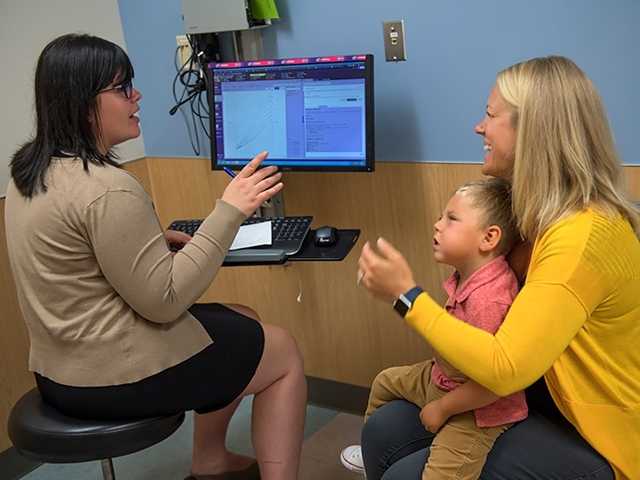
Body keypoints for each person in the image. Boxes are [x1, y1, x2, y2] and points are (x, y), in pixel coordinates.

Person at [4, 33, 306, 480]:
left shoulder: (30, 173)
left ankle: (210, 460)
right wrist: (229, 211)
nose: (136, 95)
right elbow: (164, 301)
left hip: (58, 373)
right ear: (85, 102)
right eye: (123, 87)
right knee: (281, 352)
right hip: (113, 379)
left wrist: (151, 243)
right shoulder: (107, 188)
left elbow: (78, 261)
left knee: (242, 316)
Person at [356, 56, 640, 480]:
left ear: (534, 134)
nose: (479, 127)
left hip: (588, 431)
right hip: (534, 393)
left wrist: (406, 297)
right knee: (385, 429)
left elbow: (506, 367)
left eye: (490, 116)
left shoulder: (581, 236)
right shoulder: (526, 210)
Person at [341, 178, 527, 480]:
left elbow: (494, 385)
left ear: (489, 238)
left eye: (451, 219)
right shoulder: (467, 275)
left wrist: (442, 408)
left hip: (478, 410)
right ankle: (371, 454)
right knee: (385, 382)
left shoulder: (490, 299)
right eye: (441, 216)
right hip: (441, 377)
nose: (437, 225)